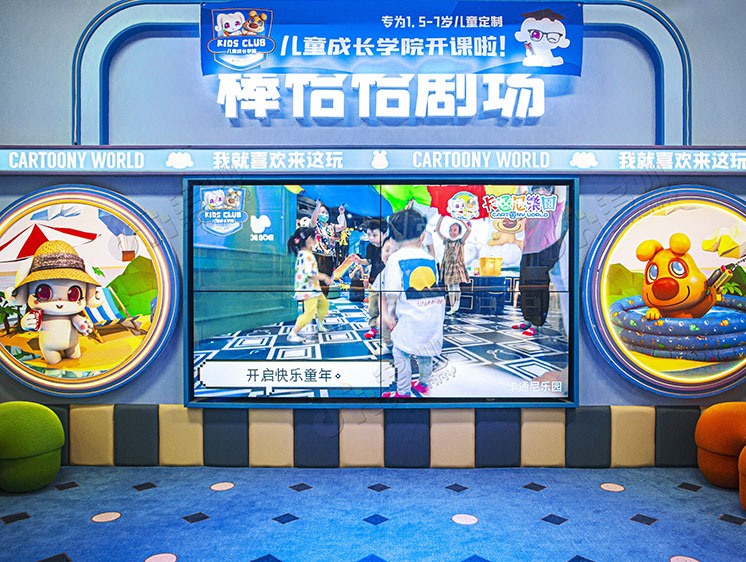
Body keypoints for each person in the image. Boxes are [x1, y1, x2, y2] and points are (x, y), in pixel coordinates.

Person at [382, 209, 446, 398]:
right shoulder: (429, 258)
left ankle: (403, 392)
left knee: (400, 352)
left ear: (392, 238)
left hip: (412, 318)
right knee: (426, 351)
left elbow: (392, 292)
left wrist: (389, 315)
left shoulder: (395, 258)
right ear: (422, 235)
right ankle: (424, 384)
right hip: (433, 316)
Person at [513, 185, 566, 336]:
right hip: (527, 252)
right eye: (537, 190)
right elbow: (522, 191)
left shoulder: (554, 207)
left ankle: (536, 324)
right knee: (525, 287)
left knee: (538, 289)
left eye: (545, 190)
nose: (540, 192)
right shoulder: (530, 208)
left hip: (544, 251)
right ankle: (527, 320)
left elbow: (560, 191)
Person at [286, 227, 332, 343]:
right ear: (308, 240)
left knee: (324, 304)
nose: (316, 240)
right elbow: (310, 275)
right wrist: (324, 277)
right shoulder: (306, 256)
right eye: (314, 237)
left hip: (314, 289)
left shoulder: (306, 254)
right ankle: (293, 333)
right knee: (309, 314)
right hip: (308, 290)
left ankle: (319, 325)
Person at [356, 219, 385, 341]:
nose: (371, 238)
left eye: (374, 235)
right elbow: (368, 261)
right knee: (372, 307)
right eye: (369, 235)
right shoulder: (369, 247)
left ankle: (389, 329)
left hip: (387, 282)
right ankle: (373, 328)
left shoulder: (389, 246)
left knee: (387, 307)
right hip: (373, 281)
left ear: (384, 234)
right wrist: (359, 261)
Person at [368, 236, 398, 354]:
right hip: (388, 311)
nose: (390, 254)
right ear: (381, 254)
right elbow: (380, 294)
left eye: (394, 251)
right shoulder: (382, 275)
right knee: (383, 325)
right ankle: (389, 346)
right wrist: (384, 314)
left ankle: (403, 347)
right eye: (386, 250)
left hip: (403, 312)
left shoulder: (404, 271)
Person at [436, 215, 471, 315]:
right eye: (451, 230)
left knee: (456, 286)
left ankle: (457, 303)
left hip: (457, 266)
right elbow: (437, 230)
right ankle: (452, 307)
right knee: (450, 287)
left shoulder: (460, 241)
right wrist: (442, 217)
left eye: (455, 230)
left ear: (459, 232)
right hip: (448, 266)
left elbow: (469, 230)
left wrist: (461, 219)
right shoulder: (447, 241)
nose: (452, 232)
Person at [311, 200, 347, 296]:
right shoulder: (316, 226)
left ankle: (323, 300)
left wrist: (342, 213)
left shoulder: (331, 227)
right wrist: (318, 206)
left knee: (326, 282)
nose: (325, 215)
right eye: (322, 212)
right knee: (317, 282)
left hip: (329, 257)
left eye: (326, 213)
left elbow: (343, 226)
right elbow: (313, 221)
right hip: (318, 256)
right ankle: (315, 301)